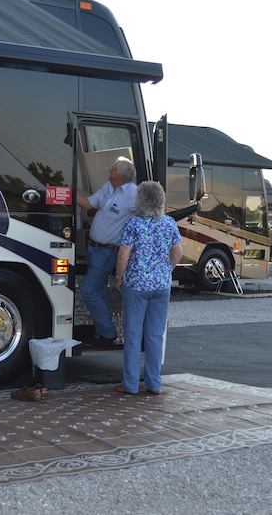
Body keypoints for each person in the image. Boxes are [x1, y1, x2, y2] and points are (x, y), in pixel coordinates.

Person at [114, 181, 182, 395]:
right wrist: (165, 271)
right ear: (161, 200)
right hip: (161, 286)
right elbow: (178, 253)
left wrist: (119, 276)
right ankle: (154, 384)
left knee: (133, 336)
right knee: (155, 336)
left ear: (140, 200)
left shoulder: (133, 224)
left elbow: (124, 253)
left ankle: (131, 384)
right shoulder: (169, 223)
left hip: (136, 285)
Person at [77, 157, 138, 347]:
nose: (108, 172)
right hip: (94, 249)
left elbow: (149, 213)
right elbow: (88, 205)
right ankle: (102, 334)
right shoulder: (107, 187)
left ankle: (108, 332)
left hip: (108, 251)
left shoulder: (133, 194)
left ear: (120, 176)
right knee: (98, 290)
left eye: (111, 170)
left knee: (87, 290)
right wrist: (67, 193)